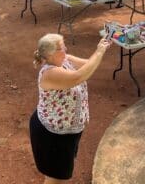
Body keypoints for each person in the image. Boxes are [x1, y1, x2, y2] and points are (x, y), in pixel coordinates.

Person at [30, 34, 111, 183]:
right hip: (52, 134)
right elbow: (79, 76)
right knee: (55, 179)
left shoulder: (66, 60)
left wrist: (102, 47)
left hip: (67, 131)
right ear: (50, 54)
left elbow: (89, 65)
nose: (66, 49)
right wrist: (99, 52)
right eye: (62, 47)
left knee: (61, 174)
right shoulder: (49, 73)